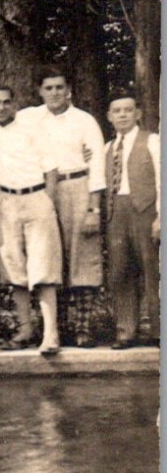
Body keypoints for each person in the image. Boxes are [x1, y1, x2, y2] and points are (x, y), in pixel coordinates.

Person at [17, 68, 107, 345]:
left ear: (69, 90)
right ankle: (56, 327)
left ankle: (82, 329)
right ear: (40, 91)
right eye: (49, 88)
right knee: (48, 257)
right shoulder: (29, 118)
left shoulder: (84, 120)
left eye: (59, 87)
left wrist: (93, 209)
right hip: (42, 191)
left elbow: (97, 165)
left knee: (82, 256)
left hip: (77, 187)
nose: (54, 93)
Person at [0, 85, 63, 355]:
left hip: (36, 198)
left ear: (14, 104)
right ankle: (26, 330)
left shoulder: (32, 128)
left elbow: (51, 169)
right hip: (6, 200)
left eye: (6, 102)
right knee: (14, 267)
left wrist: (48, 202)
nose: (0, 107)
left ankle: (50, 335)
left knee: (43, 268)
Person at [103, 94, 159, 349]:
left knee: (152, 269)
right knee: (120, 271)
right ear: (109, 116)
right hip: (117, 212)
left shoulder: (152, 141)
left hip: (145, 210)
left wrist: (160, 217)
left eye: (128, 110)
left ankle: (159, 330)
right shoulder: (108, 148)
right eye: (117, 111)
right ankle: (126, 331)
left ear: (138, 114)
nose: (123, 115)